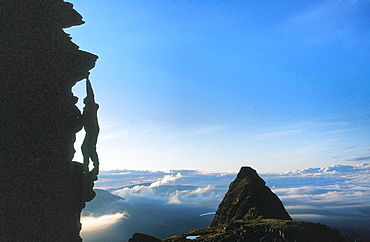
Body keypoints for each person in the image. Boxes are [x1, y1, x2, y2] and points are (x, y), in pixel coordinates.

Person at [81, 76, 99, 180]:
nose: (83, 99)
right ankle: (90, 167)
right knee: (88, 148)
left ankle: (91, 167)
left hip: (92, 129)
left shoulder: (91, 105)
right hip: (92, 130)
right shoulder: (88, 108)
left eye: (85, 99)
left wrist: (87, 80)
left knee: (87, 148)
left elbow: (90, 93)